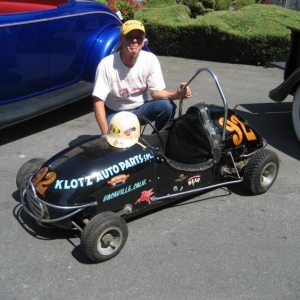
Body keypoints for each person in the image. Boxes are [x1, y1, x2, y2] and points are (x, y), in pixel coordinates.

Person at [92, 20, 192, 135]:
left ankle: (159, 143)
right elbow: (98, 101)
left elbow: (156, 93)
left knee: (167, 107)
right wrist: (105, 134)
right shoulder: (106, 64)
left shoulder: (150, 59)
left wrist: (177, 94)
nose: (134, 40)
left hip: (141, 109)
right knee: (119, 139)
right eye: (129, 37)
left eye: (139, 38)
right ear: (121, 40)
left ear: (143, 42)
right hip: (116, 113)